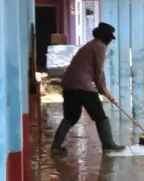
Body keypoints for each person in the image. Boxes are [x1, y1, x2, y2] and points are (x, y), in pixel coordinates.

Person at [51, 22, 125, 153]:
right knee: (100, 116)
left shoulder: (90, 45)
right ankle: (108, 144)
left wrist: (103, 90)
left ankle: (56, 146)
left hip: (69, 84)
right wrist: (104, 90)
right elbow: (99, 72)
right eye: (110, 38)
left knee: (70, 117)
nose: (110, 42)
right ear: (106, 37)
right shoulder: (100, 46)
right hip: (83, 86)